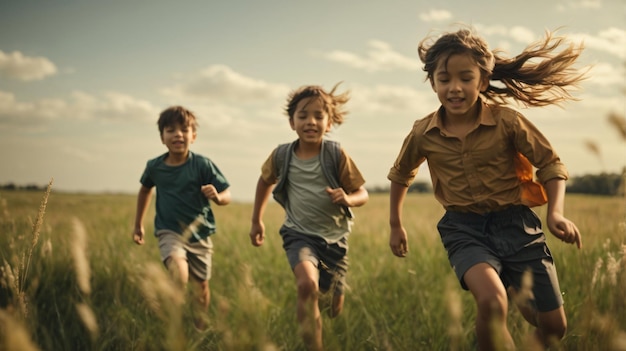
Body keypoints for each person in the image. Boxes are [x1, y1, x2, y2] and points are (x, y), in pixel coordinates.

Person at [387, 27, 585, 350]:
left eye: (465, 78)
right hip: (464, 230)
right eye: (444, 79)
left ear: (482, 80)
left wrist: (556, 213)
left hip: (518, 227)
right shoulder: (423, 133)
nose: (455, 88)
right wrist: (396, 225)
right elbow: (400, 174)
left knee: (553, 326)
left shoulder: (507, 122)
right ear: (433, 82)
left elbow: (550, 163)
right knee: (492, 303)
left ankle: (515, 287)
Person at [249, 83, 369, 351]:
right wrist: (257, 219)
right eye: (303, 115)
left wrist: (347, 198)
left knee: (334, 307)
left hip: (335, 240)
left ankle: (331, 303)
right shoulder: (282, 155)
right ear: (292, 122)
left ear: (329, 123)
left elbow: (362, 193)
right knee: (306, 285)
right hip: (298, 234)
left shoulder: (335, 154)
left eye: (318, 115)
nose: (310, 121)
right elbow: (264, 181)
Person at [132, 105, 231, 329]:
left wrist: (217, 197)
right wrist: (138, 224)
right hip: (169, 231)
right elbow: (145, 190)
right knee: (179, 273)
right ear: (162, 137)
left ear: (193, 136)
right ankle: (171, 321)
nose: (178, 134)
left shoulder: (202, 165)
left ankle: (199, 326)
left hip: (200, 234)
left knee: (201, 286)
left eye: (184, 130)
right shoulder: (155, 167)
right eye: (171, 130)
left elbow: (227, 194)